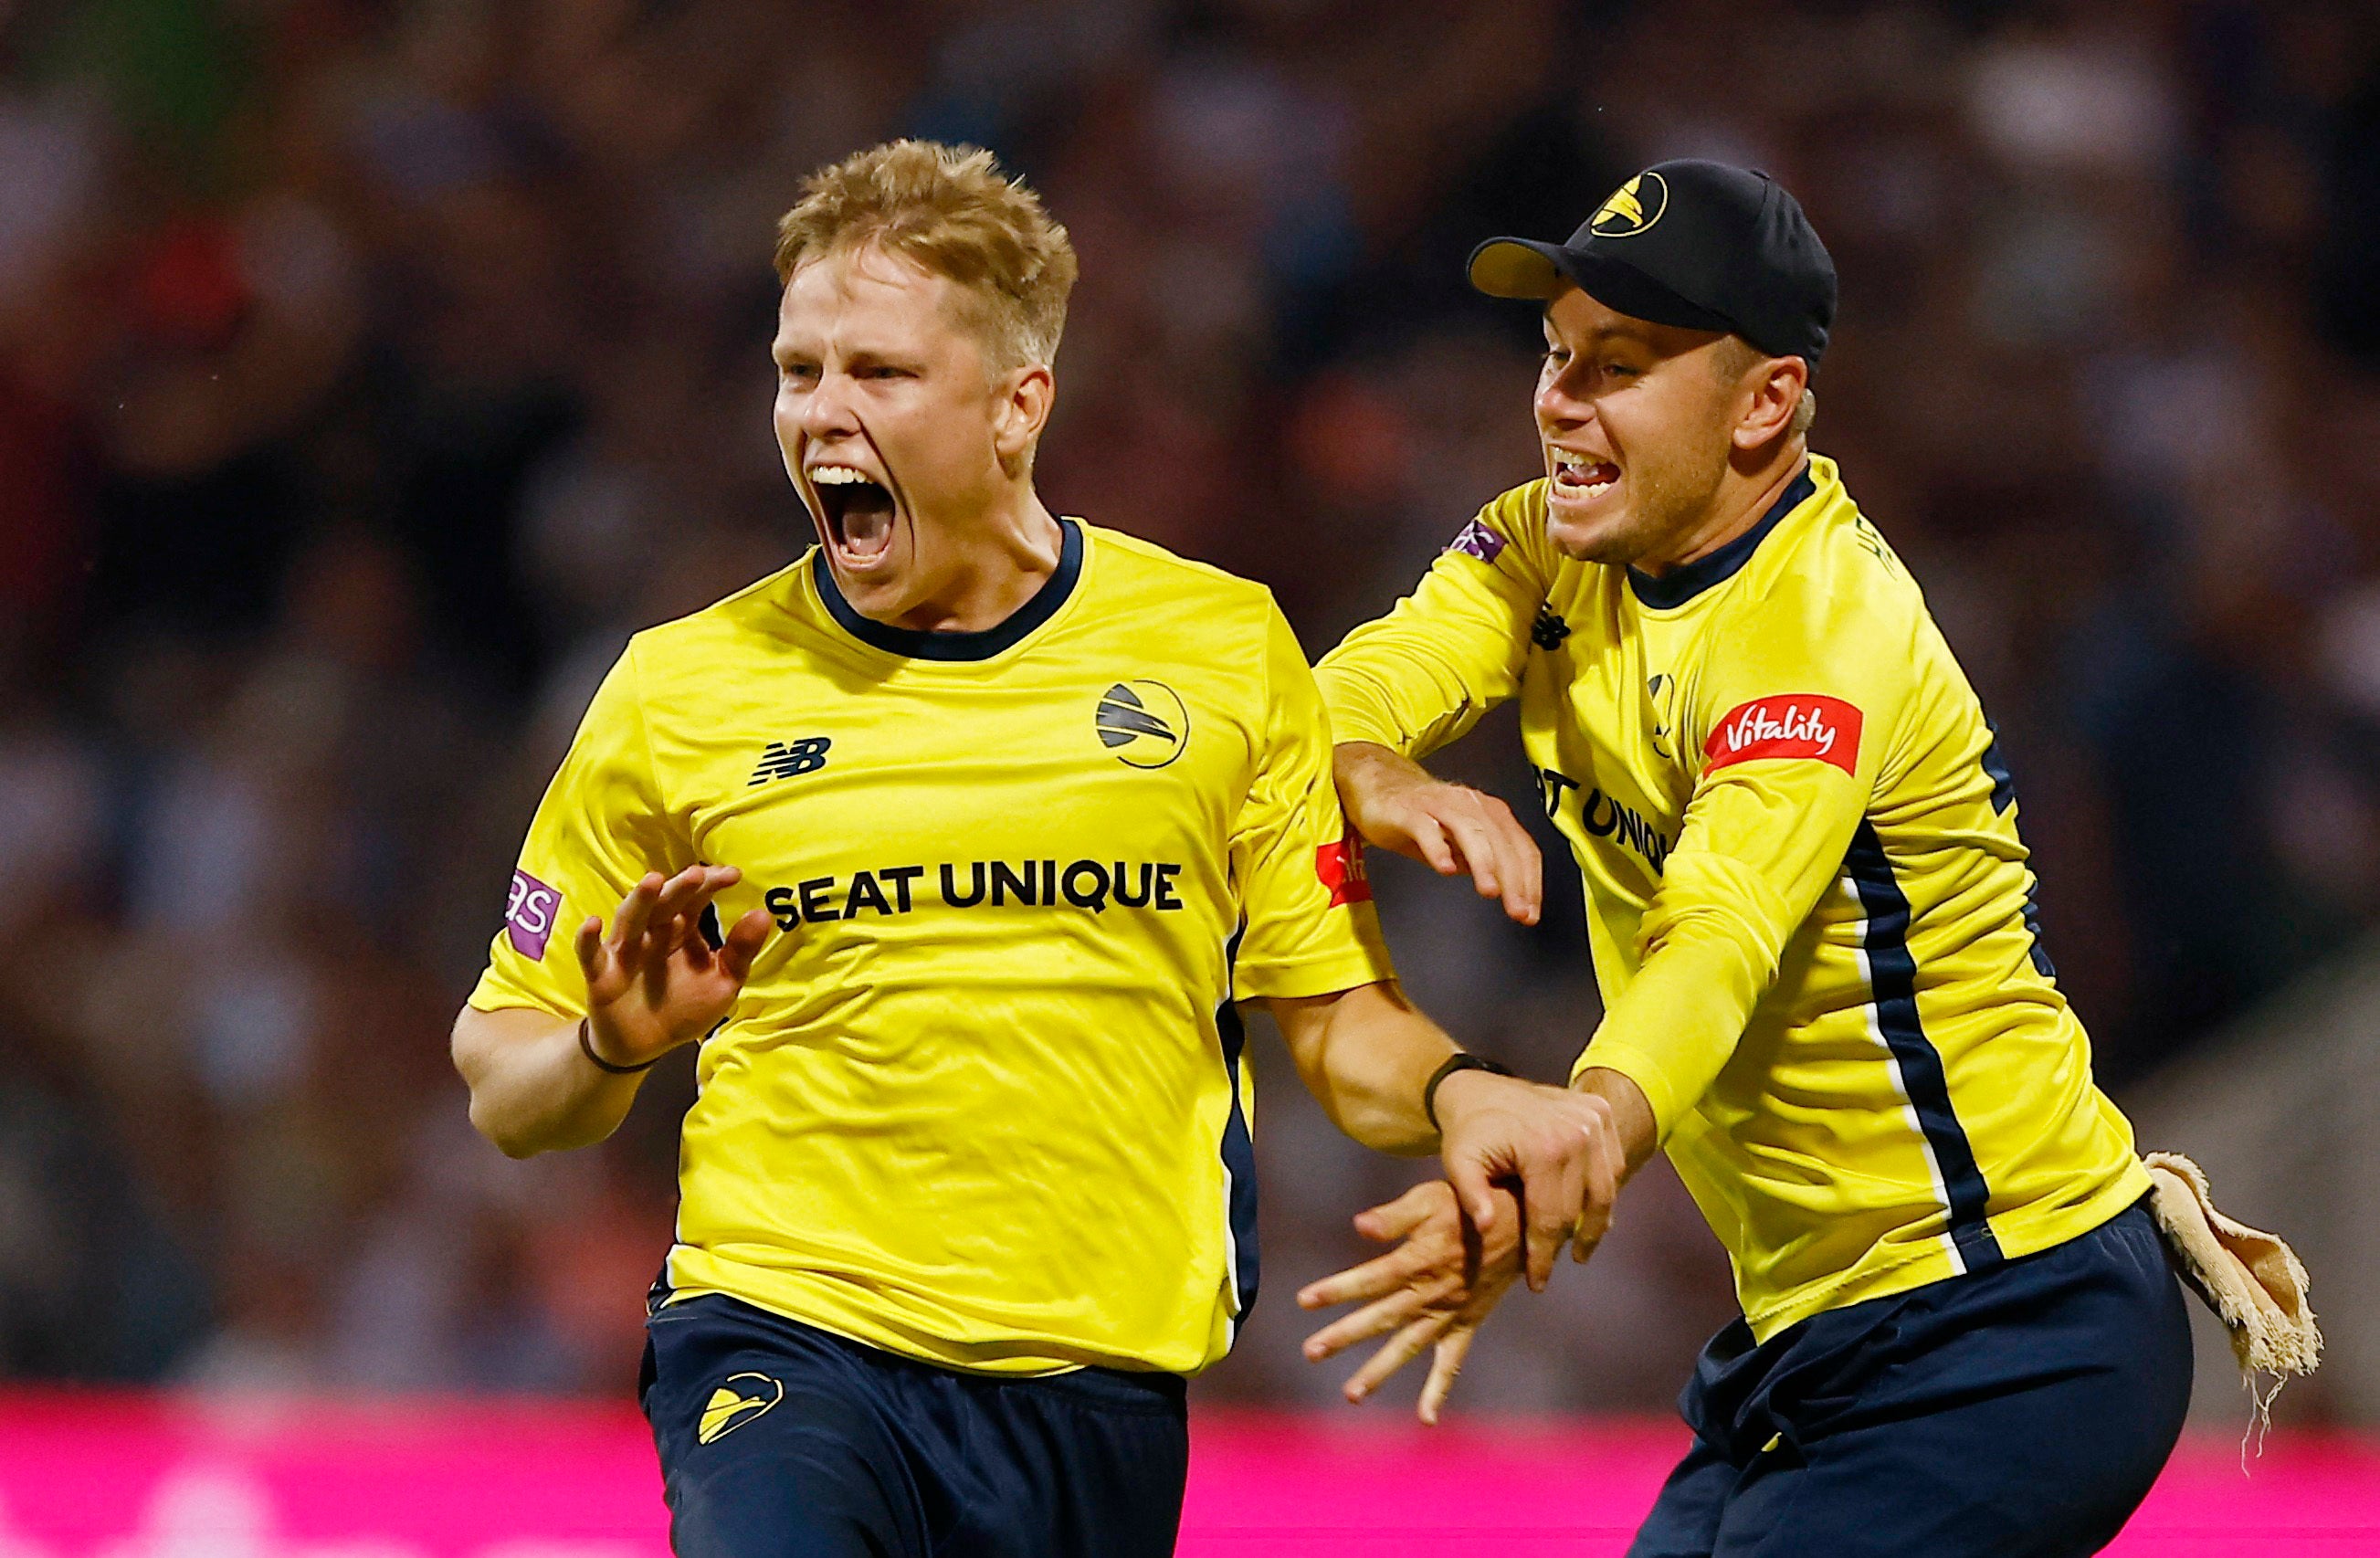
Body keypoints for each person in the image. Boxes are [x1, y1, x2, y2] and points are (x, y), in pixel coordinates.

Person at [450, 139, 1610, 1558]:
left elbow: (1333, 1019)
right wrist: (608, 1050)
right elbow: (506, 1082)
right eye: (796, 369)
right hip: (785, 1333)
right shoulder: (679, 690)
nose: (822, 412)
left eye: (877, 372)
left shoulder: (1219, 650)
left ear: (1017, 405)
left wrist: (1458, 1092)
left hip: (1093, 1388)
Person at [1300, 160, 2196, 1557]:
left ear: (1764, 401)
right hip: (1814, 1333)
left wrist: (1587, 1128)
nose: (1557, 401)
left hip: (2006, 1317)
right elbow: (1372, 678)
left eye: (1620, 365)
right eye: (1554, 355)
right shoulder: (1549, 542)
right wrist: (1372, 770)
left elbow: (1718, 930)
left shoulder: (1819, 624)